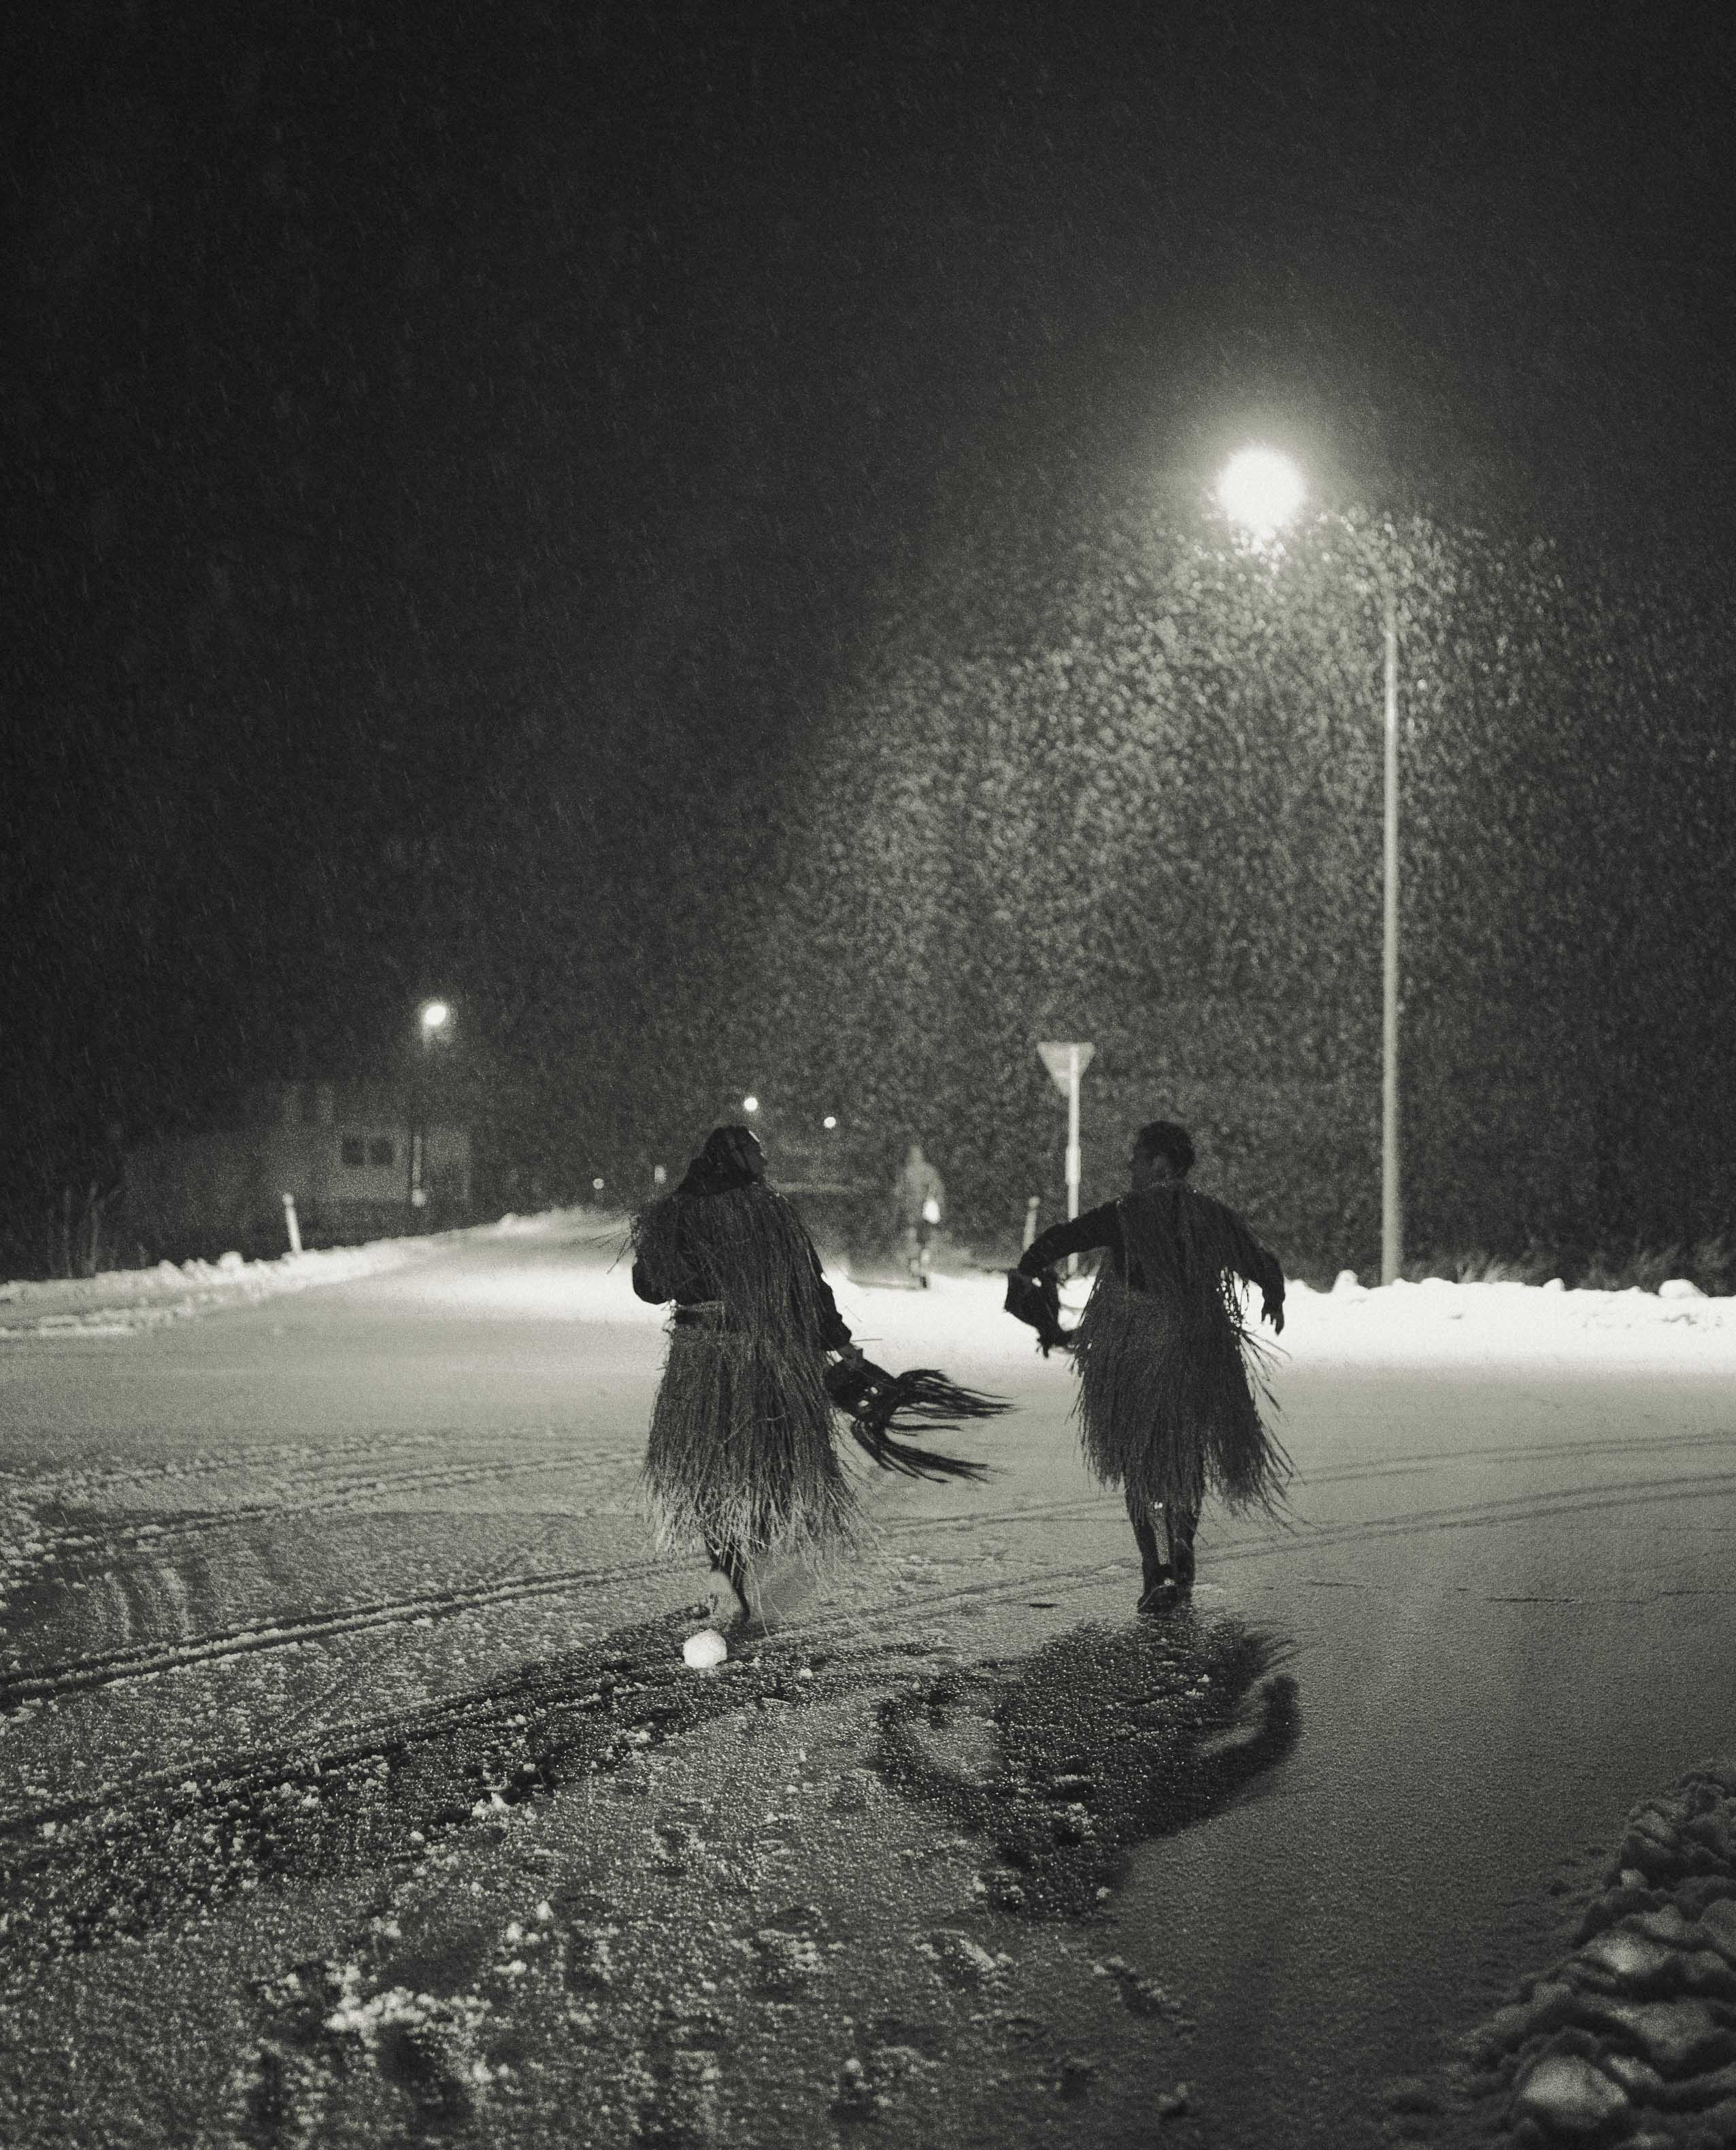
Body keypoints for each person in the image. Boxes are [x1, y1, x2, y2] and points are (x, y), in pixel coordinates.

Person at [632, 1125, 999, 1639]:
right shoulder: (768, 1212)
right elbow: (807, 1282)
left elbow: (648, 1288)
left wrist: (684, 1266)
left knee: (711, 1464)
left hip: (700, 1359)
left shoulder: (676, 1215)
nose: (764, 1161)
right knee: (761, 1460)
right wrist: (837, 1339)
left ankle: (726, 1562)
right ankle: (738, 1560)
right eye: (755, 1153)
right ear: (736, 1159)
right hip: (762, 1355)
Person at [1006, 1119, 1289, 1612]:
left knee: (1139, 1458)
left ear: (1160, 1162)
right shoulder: (1210, 1216)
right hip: (1198, 1352)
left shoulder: (1128, 1213)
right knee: (1186, 1455)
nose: (1130, 1166)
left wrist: (1028, 1271)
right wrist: (1274, 1296)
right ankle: (1181, 1552)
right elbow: (1259, 1261)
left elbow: (1063, 1239)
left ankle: (1155, 1569)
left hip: (1137, 1352)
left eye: (1137, 1158)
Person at [891, 1141, 946, 1287]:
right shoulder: (928, 1171)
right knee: (923, 1243)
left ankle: (917, 1272)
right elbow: (938, 1192)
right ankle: (921, 1272)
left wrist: (898, 1211)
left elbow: (898, 1194)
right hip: (922, 1214)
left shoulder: (908, 1172)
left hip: (914, 1214)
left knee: (915, 1242)